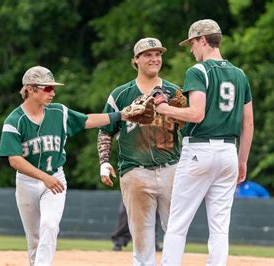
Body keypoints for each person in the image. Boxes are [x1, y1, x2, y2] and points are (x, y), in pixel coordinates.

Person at [0, 65, 122, 266]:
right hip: (27, 182)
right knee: (34, 238)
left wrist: (121, 115)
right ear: (30, 89)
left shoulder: (59, 112)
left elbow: (87, 120)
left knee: (49, 224)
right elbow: (14, 160)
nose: (52, 92)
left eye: (52, 88)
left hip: (55, 178)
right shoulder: (14, 120)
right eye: (47, 88)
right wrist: (44, 177)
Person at [155, 19, 254, 266]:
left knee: (178, 222)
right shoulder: (240, 75)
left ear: (202, 40)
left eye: (192, 43)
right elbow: (248, 123)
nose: (191, 50)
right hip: (229, 152)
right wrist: (242, 161)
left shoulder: (198, 72)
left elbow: (196, 114)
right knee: (220, 225)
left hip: (200, 149)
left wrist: (165, 108)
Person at [97, 37, 182, 265]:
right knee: (142, 236)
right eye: (147, 54)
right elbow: (106, 130)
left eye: (158, 54)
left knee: (175, 231)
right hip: (135, 171)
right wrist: (104, 162)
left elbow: (188, 129)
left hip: (171, 169)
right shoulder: (121, 94)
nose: (154, 58)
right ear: (135, 60)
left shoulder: (173, 92)